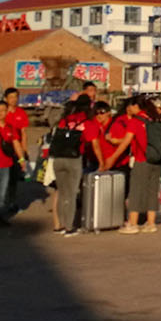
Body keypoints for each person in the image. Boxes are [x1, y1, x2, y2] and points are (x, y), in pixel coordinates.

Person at [106, 97, 157, 234]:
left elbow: (126, 142)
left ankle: (133, 224)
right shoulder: (152, 119)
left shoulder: (135, 121)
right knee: (152, 192)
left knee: (135, 191)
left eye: (131, 106)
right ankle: (151, 223)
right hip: (156, 160)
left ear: (136, 106)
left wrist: (113, 157)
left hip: (141, 159)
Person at [48, 97, 89, 234]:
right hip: (74, 158)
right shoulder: (85, 121)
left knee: (62, 192)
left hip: (58, 159)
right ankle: (69, 227)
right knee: (71, 194)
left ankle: (60, 225)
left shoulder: (63, 121)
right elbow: (90, 140)